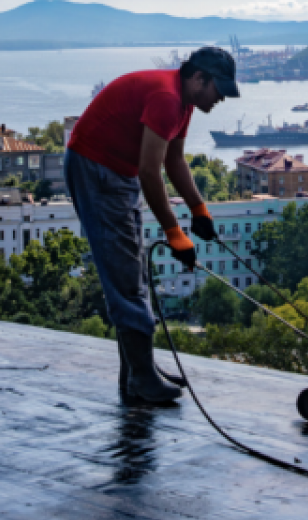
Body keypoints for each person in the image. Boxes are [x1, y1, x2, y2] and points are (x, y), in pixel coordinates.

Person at [65, 46, 240, 403]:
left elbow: (173, 160)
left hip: (116, 171)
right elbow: (150, 171)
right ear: (198, 78)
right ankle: (141, 377)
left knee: (131, 271)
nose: (220, 98)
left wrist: (199, 209)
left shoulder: (183, 102)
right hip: (97, 169)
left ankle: (136, 371)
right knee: (125, 273)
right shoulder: (166, 98)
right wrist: (174, 232)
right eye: (217, 89)